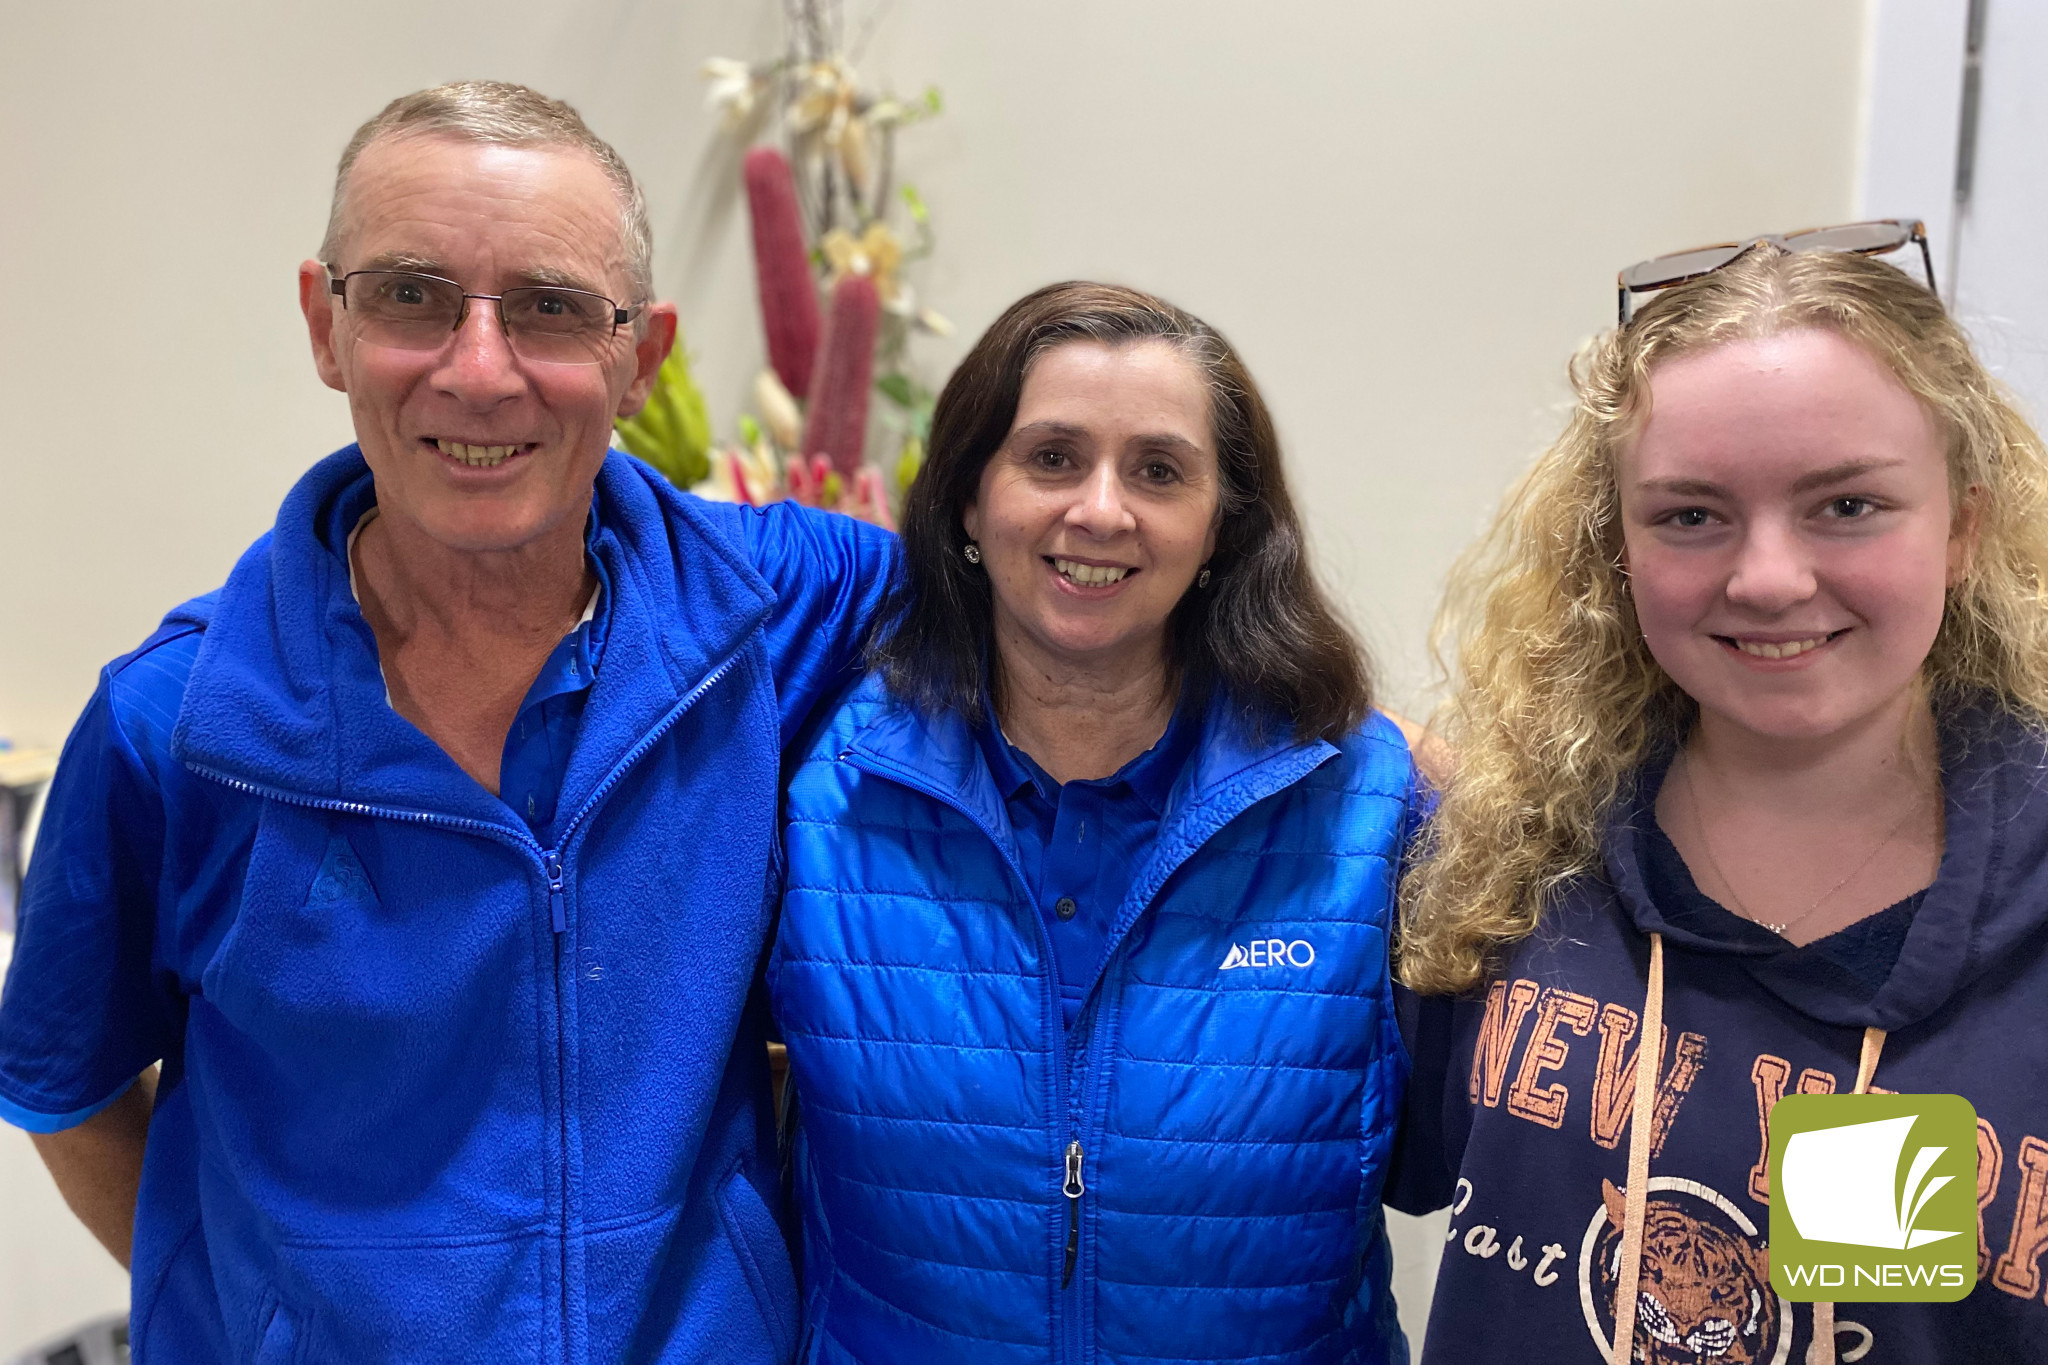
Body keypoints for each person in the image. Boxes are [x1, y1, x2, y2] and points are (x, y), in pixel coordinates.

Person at [0, 82, 895, 1363]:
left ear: (639, 355)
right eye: (412, 296)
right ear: (325, 322)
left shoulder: (770, 619)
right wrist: (253, 1317)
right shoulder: (172, 727)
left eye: (550, 309)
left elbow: (1042, 595)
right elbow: (69, 1093)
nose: (481, 373)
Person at [1387, 241, 2048, 1361]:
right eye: (1690, 516)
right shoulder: (1503, 856)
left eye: (1845, 503)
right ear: (1618, 553)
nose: (1768, 578)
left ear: (1960, 529)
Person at [767, 282, 1420, 1363]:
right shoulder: (818, 793)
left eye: (1158, 471)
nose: (1101, 511)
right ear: (969, 500)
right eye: (1052, 458)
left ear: (1220, 526)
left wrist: (1818, 1256)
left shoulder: (1365, 806)